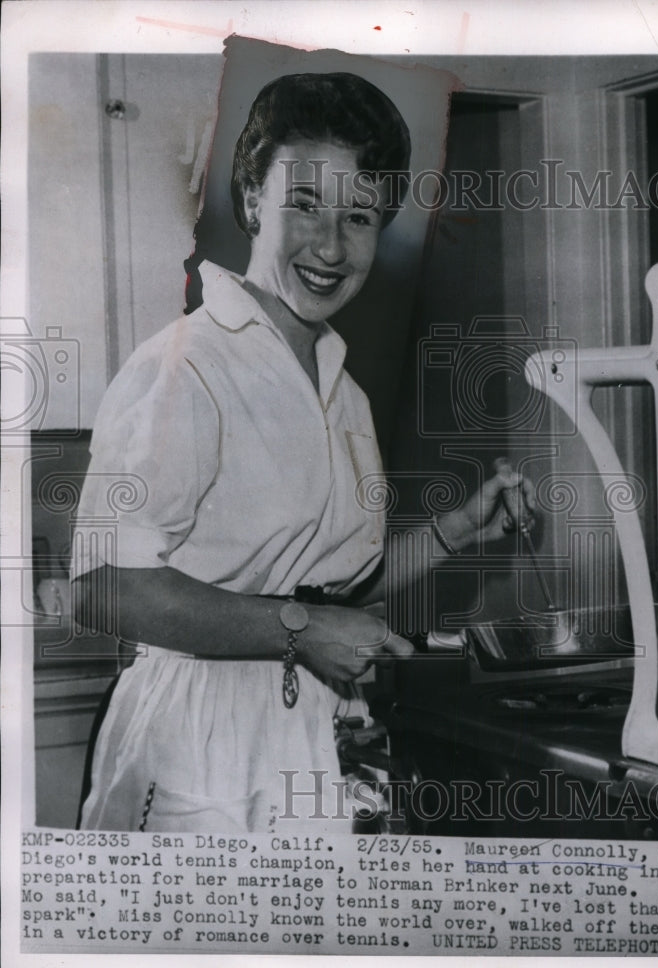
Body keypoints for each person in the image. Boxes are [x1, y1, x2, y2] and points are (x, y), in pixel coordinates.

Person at [72, 72, 534, 834]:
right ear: (253, 201)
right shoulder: (187, 364)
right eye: (305, 205)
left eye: (358, 215)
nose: (330, 245)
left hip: (309, 728)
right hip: (199, 740)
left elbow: (323, 590)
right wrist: (300, 631)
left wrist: (457, 532)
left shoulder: (338, 386)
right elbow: (99, 589)